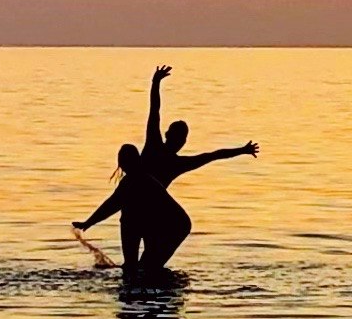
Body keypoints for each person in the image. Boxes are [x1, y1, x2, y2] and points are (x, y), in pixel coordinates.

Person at [75, 64, 258, 278]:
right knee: (131, 268)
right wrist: (155, 83)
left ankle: (145, 282)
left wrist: (242, 150)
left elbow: (213, 155)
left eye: (181, 138)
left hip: (152, 217)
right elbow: (154, 111)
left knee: (142, 268)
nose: (178, 141)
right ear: (167, 134)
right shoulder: (153, 145)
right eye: (175, 135)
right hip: (133, 215)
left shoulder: (178, 163)